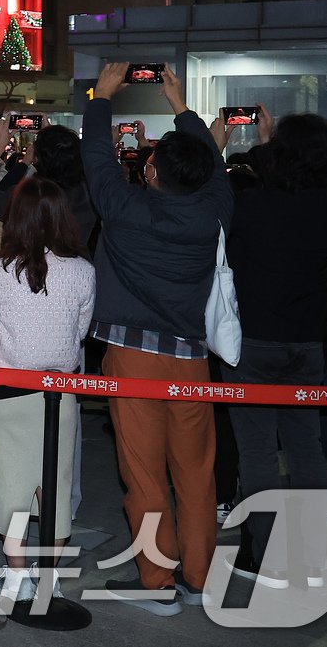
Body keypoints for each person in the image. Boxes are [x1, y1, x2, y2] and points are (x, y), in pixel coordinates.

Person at [82, 63, 231, 616]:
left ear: (150, 172)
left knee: (143, 472)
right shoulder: (215, 213)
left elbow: (96, 159)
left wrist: (102, 97)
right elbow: (213, 172)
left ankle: (157, 578)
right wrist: (181, 107)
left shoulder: (124, 211)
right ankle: (198, 573)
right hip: (192, 360)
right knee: (195, 471)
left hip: (134, 356)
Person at [219, 109, 327, 586]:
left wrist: (264, 142)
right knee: (306, 446)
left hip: (254, 341)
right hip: (307, 344)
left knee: (257, 451)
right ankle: (311, 552)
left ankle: (264, 552)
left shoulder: (253, 205)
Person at [0, 175, 95, 602]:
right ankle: (50, 576)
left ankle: (17, 575)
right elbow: (81, 331)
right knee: (54, 485)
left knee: (9, 484)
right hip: (59, 392)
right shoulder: (83, 272)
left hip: (7, 390)